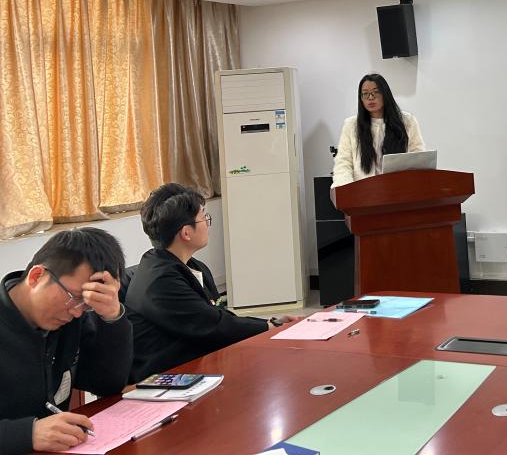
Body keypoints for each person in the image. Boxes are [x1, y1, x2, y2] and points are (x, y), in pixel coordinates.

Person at [125, 183, 297, 383]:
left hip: (197, 365)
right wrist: (269, 326)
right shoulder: (159, 280)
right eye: (204, 218)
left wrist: (270, 324)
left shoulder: (192, 266)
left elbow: (218, 316)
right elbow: (211, 325)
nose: (207, 224)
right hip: (166, 380)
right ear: (186, 233)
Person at [0, 228, 131, 454]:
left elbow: (106, 384)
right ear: (36, 276)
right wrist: (27, 434)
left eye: (86, 304)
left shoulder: (69, 319)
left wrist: (112, 317)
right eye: (73, 298)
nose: (77, 312)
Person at [331, 73, 425, 186]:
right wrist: (346, 188)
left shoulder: (407, 121)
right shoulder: (351, 125)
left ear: (385, 94)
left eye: (375, 92)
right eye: (365, 94)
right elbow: (343, 162)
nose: (370, 97)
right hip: (363, 191)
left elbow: (417, 158)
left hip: (399, 188)